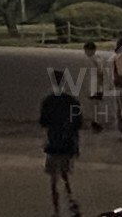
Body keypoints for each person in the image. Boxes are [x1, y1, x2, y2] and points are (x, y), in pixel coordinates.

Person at [40, 67, 83, 217]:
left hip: (53, 143)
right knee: (65, 175)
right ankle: (71, 201)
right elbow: (78, 125)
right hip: (68, 143)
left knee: (53, 179)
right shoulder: (72, 102)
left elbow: (43, 123)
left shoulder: (48, 102)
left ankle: (56, 210)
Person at [82, 41, 104, 132]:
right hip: (97, 85)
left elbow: (99, 73)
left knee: (94, 105)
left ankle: (95, 122)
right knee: (95, 105)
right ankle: (95, 121)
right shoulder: (98, 58)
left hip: (95, 86)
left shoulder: (93, 60)